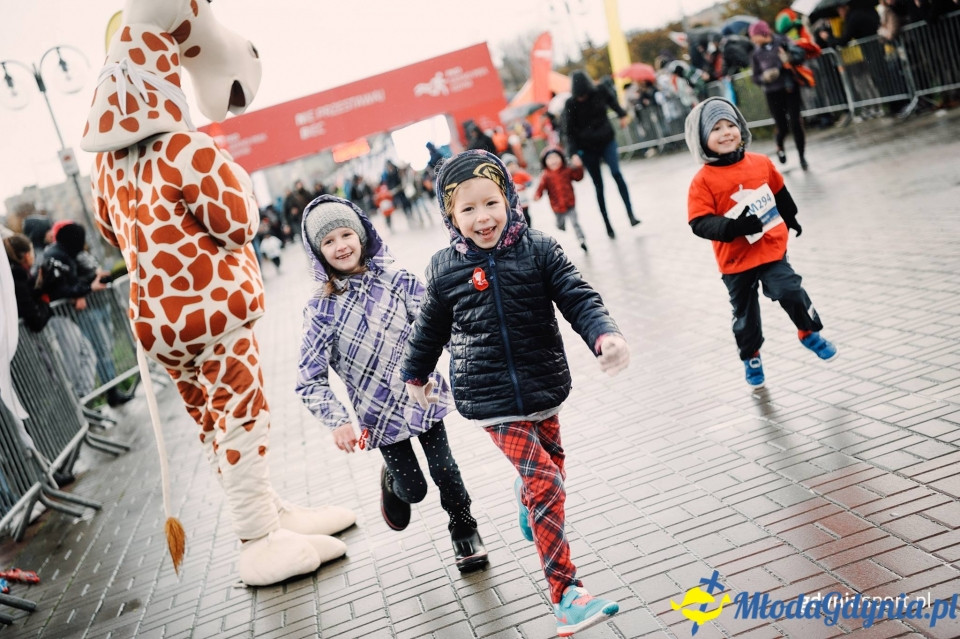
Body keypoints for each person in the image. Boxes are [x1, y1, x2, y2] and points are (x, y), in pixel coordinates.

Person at [400, 150, 630, 636]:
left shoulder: (540, 249)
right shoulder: (444, 268)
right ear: (450, 215)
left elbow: (577, 296)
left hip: (543, 386)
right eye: (467, 209)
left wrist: (605, 335)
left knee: (552, 477)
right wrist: (415, 374)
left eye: (491, 202)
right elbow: (428, 329)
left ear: (509, 198)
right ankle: (567, 593)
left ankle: (530, 502)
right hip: (489, 399)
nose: (482, 217)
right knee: (546, 481)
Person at [296, 195, 488, 573]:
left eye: (346, 234)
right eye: (329, 241)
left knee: (445, 469)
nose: (341, 246)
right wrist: (337, 420)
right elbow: (309, 377)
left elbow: (437, 327)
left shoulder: (398, 281)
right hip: (378, 414)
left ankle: (464, 528)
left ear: (362, 234)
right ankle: (394, 484)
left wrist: (472, 360)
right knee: (414, 489)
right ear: (318, 252)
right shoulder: (320, 309)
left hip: (423, 396)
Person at [683, 97, 838, 389]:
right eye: (716, 128)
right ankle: (750, 355)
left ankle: (808, 331)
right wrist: (734, 227)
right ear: (703, 140)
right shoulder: (702, 181)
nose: (726, 132)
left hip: (770, 248)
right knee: (746, 316)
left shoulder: (761, 163)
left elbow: (779, 192)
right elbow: (698, 222)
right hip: (735, 261)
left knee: (789, 289)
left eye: (731, 125)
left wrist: (790, 218)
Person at [561, 70, 640, 238]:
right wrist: (573, 153)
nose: (581, 98)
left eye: (584, 95)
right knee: (599, 186)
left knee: (616, 173)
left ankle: (631, 214)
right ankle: (607, 224)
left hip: (606, 140)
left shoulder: (601, 91)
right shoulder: (571, 103)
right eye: (579, 96)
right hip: (587, 147)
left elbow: (614, 103)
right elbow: (568, 132)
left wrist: (622, 115)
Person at [749, 20, 811, 170]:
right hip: (772, 92)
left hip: (790, 87)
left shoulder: (782, 41)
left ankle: (802, 156)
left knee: (796, 123)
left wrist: (788, 58)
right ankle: (780, 146)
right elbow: (755, 76)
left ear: (762, 33)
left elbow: (799, 55)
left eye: (754, 36)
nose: (753, 39)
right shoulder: (756, 53)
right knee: (782, 126)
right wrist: (764, 77)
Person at [534, 148, 588, 252]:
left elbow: (578, 177)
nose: (553, 161)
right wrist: (537, 195)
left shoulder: (567, 170)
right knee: (560, 224)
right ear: (545, 162)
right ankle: (560, 225)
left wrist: (579, 167)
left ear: (562, 159)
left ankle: (581, 239)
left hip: (570, 203)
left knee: (575, 222)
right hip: (557, 206)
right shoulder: (546, 175)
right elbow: (541, 187)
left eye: (556, 158)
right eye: (550, 159)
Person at [4, 233, 51, 332]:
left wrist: (38, 287)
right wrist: (44, 297)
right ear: (27, 255)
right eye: (32, 250)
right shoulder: (17, 277)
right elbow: (35, 321)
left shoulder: (15, 275)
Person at [501, 153, 534, 227]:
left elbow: (530, 180)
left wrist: (525, 185)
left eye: (514, 165)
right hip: (513, 202)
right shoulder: (505, 177)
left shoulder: (521, 173)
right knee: (517, 216)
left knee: (526, 214)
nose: (512, 167)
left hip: (523, 200)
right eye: (510, 166)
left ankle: (529, 226)